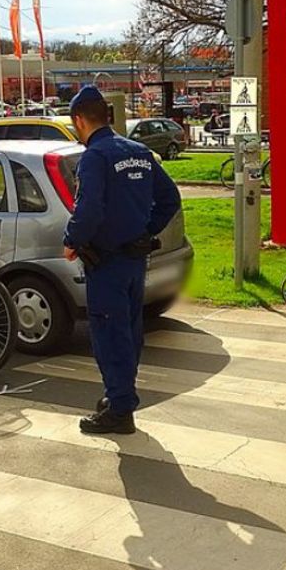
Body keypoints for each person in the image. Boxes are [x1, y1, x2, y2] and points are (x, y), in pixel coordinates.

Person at [63, 86, 181, 435]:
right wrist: (145, 230)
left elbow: (89, 209)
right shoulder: (139, 152)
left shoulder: (95, 157)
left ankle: (119, 410)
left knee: (109, 335)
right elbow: (170, 199)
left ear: (79, 120)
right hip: (134, 259)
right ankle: (120, 395)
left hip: (107, 263)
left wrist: (73, 240)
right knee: (128, 333)